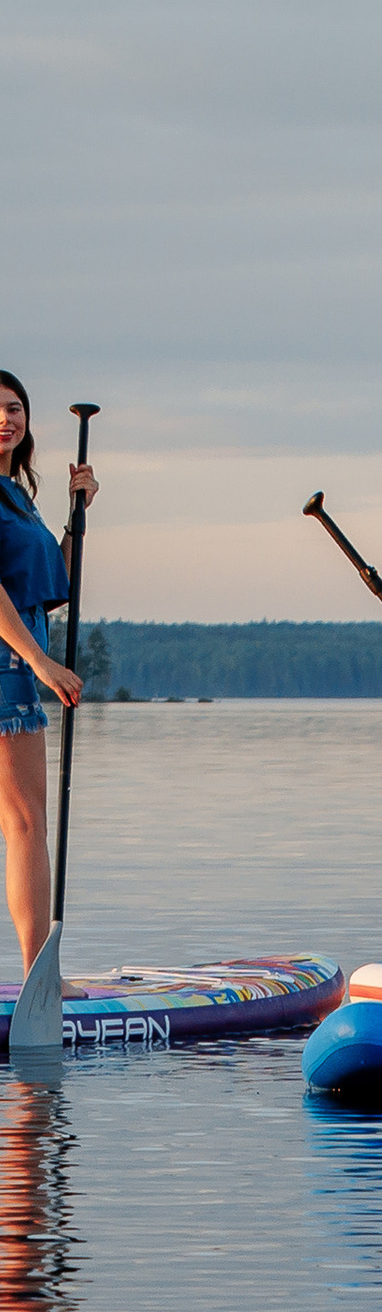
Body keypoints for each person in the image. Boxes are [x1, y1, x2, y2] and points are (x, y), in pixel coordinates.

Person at [0, 374, 97, 976]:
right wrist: (39, 661)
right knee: (26, 823)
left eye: (14, 408)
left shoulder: (15, 497)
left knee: (20, 823)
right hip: (8, 666)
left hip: (17, 662)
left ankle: (38, 975)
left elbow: (51, 587)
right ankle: (40, 979)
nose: (6, 418)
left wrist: (75, 516)